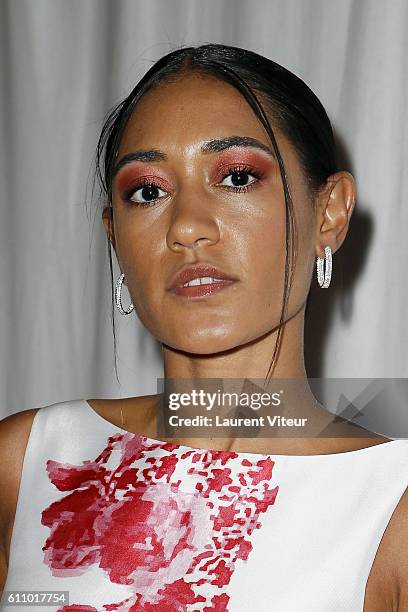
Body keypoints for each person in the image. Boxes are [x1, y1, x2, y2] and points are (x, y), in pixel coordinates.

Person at [0, 43, 407, 611]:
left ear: (330, 213)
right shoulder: (25, 464)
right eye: (147, 192)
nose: (187, 227)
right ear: (115, 236)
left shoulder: (392, 506)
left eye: (238, 177)